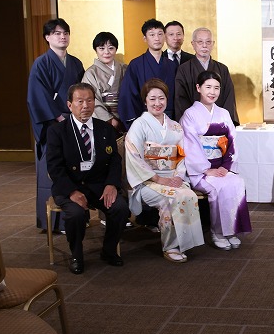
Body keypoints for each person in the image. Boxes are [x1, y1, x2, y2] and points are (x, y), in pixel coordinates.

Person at [45, 83, 130, 274]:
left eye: (90, 101)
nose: (85, 106)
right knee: (75, 214)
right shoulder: (57, 131)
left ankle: (108, 250)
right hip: (70, 186)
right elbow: (54, 167)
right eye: (80, 101)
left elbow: (115, 161)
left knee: (120, 208)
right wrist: (71, 192)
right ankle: (76, 254)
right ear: (69, 105)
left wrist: (111, 184)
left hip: (99, 185)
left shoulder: (105, 129)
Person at [125, 79, 204, 263]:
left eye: (161, 98)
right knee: (170, 199)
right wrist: (157, 179)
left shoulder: (175, 126)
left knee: (187, 195)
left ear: (167, 99)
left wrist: (178, 176)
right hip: (147, 182)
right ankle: (170, 246)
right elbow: (134, 156)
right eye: (152, 99)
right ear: (145, 101)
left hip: (173, 179)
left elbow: (181, 155)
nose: (157, 103)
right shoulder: (139, 125)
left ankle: (184, 242)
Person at [181, 71, 252, 250]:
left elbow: (231, 141)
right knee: (219, 187)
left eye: (216, 88)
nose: (212, 92)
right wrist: (206, 169)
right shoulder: (190, 115)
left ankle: (232, 230)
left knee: (236, 182)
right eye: (208, 87)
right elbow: (190, 145)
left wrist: (226, 166)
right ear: (198, 88)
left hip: (222, 167)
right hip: (201, 172)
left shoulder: (224, 113)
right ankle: (218, 232)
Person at [27, 18, 85, 230]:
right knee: (53, 169)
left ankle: (78, 215)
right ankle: (52, 222)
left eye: (65, 33)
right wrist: (58, 117)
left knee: (76, 169)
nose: (62, 37)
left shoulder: (76, 63)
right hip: (52, 124)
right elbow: (37, 96)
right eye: (57, 33)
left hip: (75, 121)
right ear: (47, 37)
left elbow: (83, 93)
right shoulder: (41, 63)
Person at [118, 18, 176, 130]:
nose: (157, 38)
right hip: (144, 118)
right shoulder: (136, 64)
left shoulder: (172, 65)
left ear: (164, 37)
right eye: (152, 35)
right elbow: (128, 95)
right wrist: (135, 123)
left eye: (160, 34)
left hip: (168, 119)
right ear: (145, 38)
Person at [175, 27, 239, 124]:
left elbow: (229, 98)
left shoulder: (222, 69)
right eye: (200, 42)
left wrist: (226, 122)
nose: (204, 46)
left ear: (213, 44)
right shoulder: (184, 69)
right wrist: (189, 120)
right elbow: (180, 99)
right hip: (194, 123)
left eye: (208, 42)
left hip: (219, 123)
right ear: (193, 44)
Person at [81, 31, 127, 134]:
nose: (106, 52)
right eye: (101, 48)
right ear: (95, 50)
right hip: (102, 120)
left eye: (111, 48)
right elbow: (92, 100)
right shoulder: (91, 73)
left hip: (124, 116)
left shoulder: (125, 69)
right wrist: (110, 119)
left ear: (116, 49)